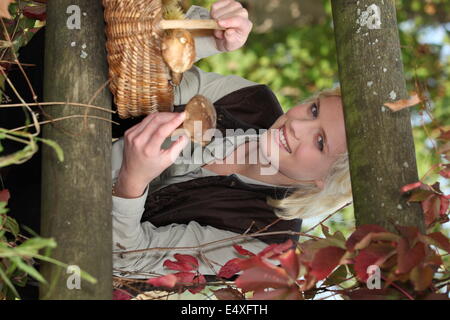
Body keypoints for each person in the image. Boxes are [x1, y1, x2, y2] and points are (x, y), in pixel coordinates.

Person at [112, 0, 352, 278]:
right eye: (313, 110)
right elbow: (142, 78)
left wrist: (133, 181)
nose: (297, 125)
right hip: (66, 122)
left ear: (326, 180)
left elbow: (124, 261)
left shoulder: (266, 243)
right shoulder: (251, 100)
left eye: (320, 142)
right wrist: (206, 38)